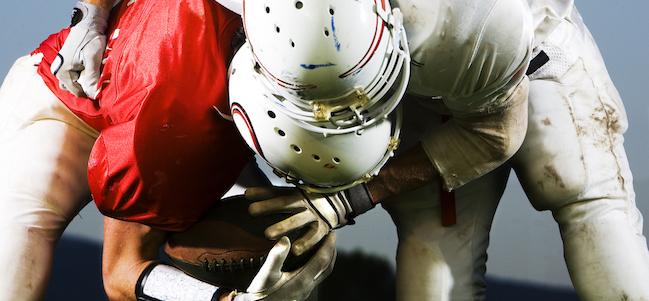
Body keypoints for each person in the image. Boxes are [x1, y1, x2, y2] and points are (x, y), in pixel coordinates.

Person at [231, 0, 649, 300]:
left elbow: (495, 132)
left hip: (531, 46)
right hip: (415, 84)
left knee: (584, 197)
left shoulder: (470, 19)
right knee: (432, 260)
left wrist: (351, 198)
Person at [0, 0, 336, 300]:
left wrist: (355, 199)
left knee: (289, 249)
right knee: (16, 270)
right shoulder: (180, 109)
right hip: (65, 106)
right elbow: (121, 271)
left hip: (185, 103)